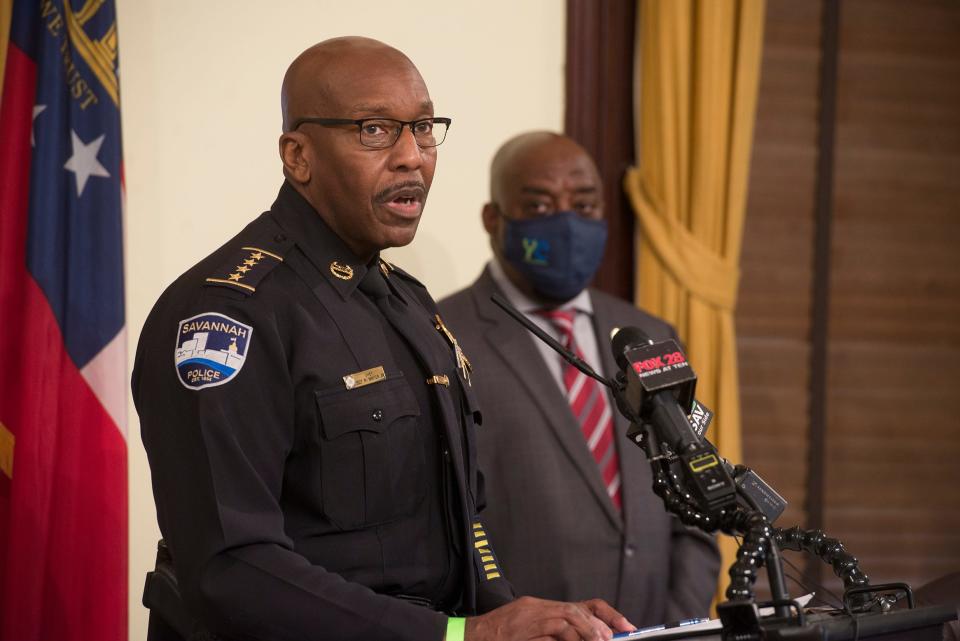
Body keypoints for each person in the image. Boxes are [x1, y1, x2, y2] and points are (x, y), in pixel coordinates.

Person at [133, 39, 636, 641]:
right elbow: (232, 568)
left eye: (423, 127)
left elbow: (459, 523)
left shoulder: (409, 303)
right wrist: (461, 636)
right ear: (298, 156)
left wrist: (524, 618)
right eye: (375, 129)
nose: (412, 157)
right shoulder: (228, 313)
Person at [438, 132, 721, 627]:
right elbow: (442, 527)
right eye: (540, 204)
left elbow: (695, 500)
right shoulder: (440, 335)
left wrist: (676, 627)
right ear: (493, 218)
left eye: (584, 205)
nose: (566, 222)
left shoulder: (651, 335)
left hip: (655, 631)